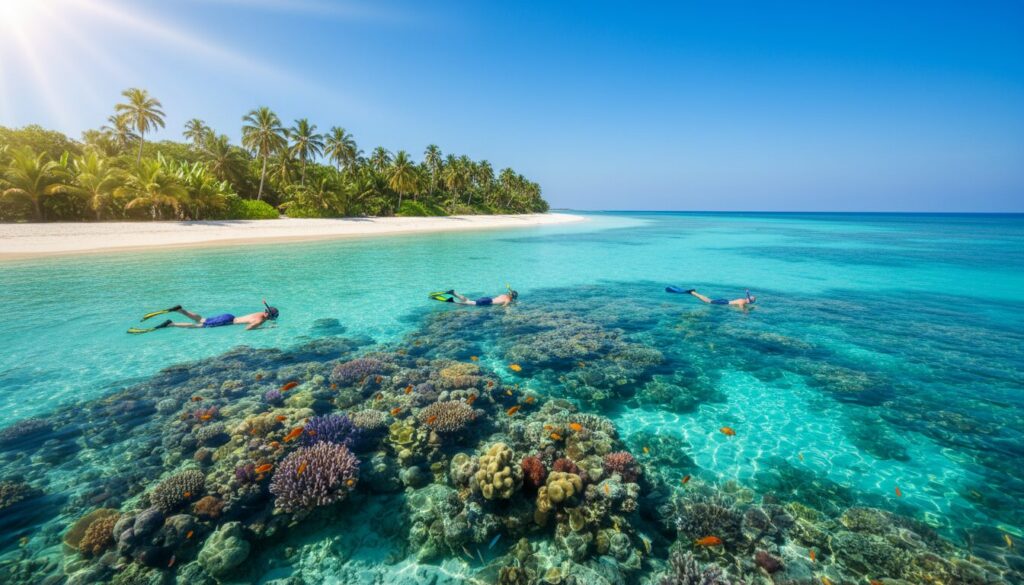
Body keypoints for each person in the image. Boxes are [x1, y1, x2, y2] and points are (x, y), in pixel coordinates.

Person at [130, 300, 279, 333]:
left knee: (202, 319)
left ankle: (181, 310)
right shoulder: (261, 320)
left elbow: (251, 320)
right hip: (227, 322)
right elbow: (248, 329)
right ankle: (171, 324)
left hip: (228, 316)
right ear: (270, 316)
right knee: (199, 326)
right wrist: (265, 328)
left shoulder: (260, 313)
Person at [432, 288, 518, 306]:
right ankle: (451, 300)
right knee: (465, 303)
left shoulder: (503, 295)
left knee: (468, 301)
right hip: (487, 302)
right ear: (513, 297)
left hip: (487, 299)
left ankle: (454, 293)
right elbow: (504, 306)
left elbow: (501, 299)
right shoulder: (508, 300)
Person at [684, 288, 756, 308]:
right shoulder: (743, 302)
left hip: (725, 301)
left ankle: (694, 293)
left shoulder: (743, 300)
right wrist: (745, 313)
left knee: (709, 300)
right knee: (708, 301)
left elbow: (747, 296)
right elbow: (742, 308)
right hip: (725, 302)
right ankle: (693, 292)